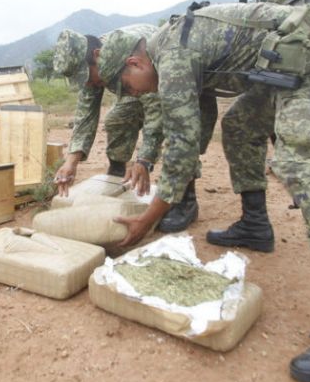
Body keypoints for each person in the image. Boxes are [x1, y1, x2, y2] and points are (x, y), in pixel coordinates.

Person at [96, 2, 310, 382]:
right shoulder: (167, 52)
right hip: (278, 68)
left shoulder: (173, 58)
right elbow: (193, 124)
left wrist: (147, 221)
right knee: (238, 125)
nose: (133, 95)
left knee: (301, 160)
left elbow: (183, 148)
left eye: (128, 88)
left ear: (135, 63)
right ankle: (255, 224)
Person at [51, 25, 203, 232]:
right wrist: (71, 161)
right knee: (117, 119)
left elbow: (155, 112)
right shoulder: (91, 67)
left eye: (87, 76)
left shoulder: (128, 56)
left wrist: (144, 161)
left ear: (98, 56)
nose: (88, 83)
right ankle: (116, 174)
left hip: (160, 79)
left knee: (178, 127)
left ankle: (187, 198)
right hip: (130, 85)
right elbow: (85, 115)